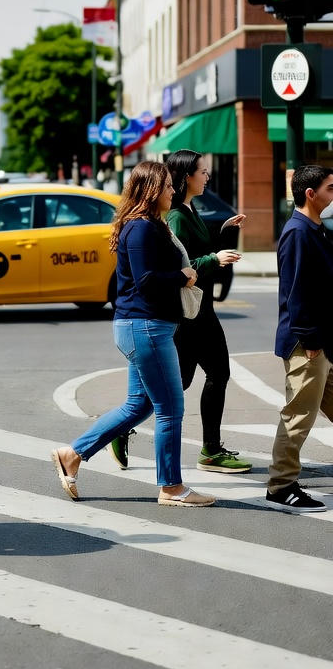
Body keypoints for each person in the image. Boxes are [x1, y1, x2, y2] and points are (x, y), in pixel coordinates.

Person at [50, 161, 215, 508]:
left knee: (138, 405)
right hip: (145, 327)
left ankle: (72, 453)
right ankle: (171, 487)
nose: (173, 190)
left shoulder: (149, 226)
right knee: (170, 408)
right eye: (168, 186)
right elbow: (146, 280)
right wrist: (183, 275)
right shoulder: (140, 229)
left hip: (145, 327)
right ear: (152, 190)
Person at [108, 150, 250, 474]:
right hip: (190, 315)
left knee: (189, 381)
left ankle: (130, 428)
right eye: (203, 171)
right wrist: (214, 259)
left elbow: (195, 251)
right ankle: (208, 451)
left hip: (200, 308)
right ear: (187, 176)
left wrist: (224, 233)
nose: (207, 177)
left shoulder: (188, 209)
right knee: (195, 381)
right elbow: (184, 267)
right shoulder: (175, 216)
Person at [266, 164, 333, 513]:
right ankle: (281, 485)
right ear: (311, 193)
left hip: (324, 339)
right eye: (330, 188)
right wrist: (309, 340)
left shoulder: (317, 228)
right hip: (307, 342)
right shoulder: (297, 232)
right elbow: (297, 293)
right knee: (298, 415)